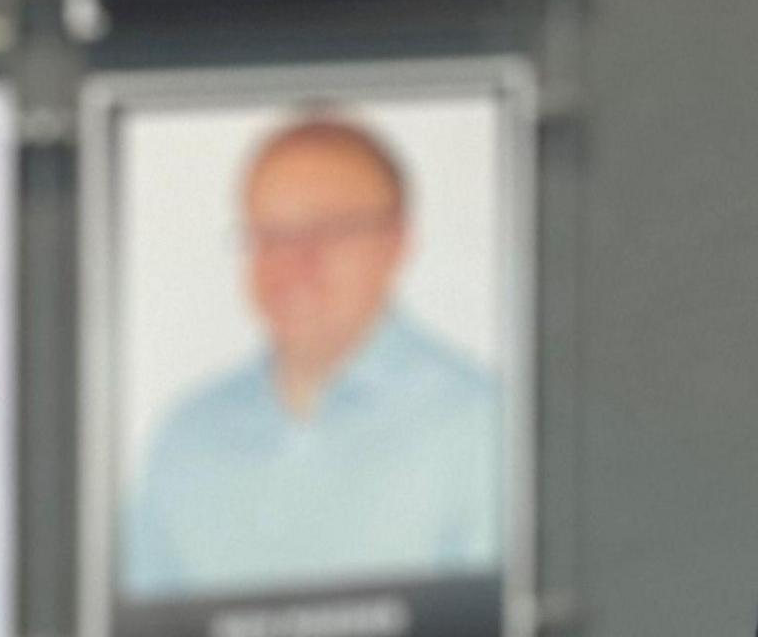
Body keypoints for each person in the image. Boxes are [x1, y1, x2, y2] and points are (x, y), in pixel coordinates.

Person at [124, 113, 500, 596]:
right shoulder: (186, 440)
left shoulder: (481, 427)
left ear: (397, 242)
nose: (291, 264)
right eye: (269, 236)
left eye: (326, 231)